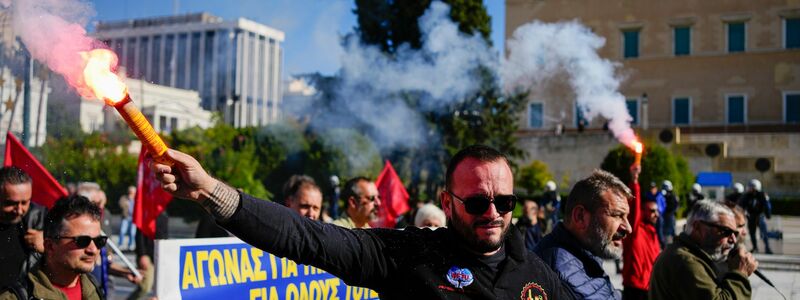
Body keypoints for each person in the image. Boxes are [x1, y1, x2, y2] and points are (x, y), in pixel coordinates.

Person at [152, 145, 575, 299]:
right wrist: (210, 190)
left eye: (504, 201)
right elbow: (306, 238)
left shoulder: (538, 274)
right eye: (478, 202)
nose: (494, 213)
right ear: (447, 202)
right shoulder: (411, 254)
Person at [533, 169, 633, 300]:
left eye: (626, 217)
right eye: (617, 215)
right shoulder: (554, 273)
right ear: (580, 217)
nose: (628, 228)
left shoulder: (586, 255)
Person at [0, 195, 106, 300]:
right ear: (50, 246)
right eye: (83, 241)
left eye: (99, 241)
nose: (93, 250)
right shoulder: (15, 297)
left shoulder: (95, 290)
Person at [649, 200, 757, 299]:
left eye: (735, 233)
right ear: (697, 227)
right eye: (726, 231)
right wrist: (740, 274)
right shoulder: (685, 260)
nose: (733, 240)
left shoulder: (689, 254)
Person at [0, 167, 45, 288]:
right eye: (10, 203)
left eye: (25, 202)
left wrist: (48, 246)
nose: (19, 210)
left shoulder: (40, 221)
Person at [621, 165, 660, 300]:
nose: (656, 214)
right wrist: (635, 181)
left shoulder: (653, 233)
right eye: (652, 211)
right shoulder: (635, 230)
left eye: (657, 211)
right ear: (643, 212)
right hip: (634, 288)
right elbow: (633, 208)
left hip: (650, 288)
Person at [128, 212, 168, 300]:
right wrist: (142, 254)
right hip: (147, 257)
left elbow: (164, 236)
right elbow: (139, 236)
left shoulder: (164, 215)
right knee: (145, 286)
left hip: (159, 255)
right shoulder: (145, 214)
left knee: (160, 290)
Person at [740, 179, 772, 254]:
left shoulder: (762, 195)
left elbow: (767, 206)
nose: (750, 189)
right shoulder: (747, 196)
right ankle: (755, 247)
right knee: (752, 233)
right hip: (751, 217)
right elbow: (741, 205)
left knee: (764, 233)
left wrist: (768, 214)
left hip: (760, 217)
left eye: (752, 187)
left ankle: (767, 248)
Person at [644, 182, 666, 248]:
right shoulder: (647, 195)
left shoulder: (660, 196)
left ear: (656, 188)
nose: (652, 189)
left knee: (659, 232)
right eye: (651, 188)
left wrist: (658, 212)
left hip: (658, 217)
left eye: (653, 188)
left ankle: (663, 247)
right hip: (649, 218)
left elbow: (664, 206)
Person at [118, 186, 137, 250]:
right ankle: (120, 244)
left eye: (133, 192)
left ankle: (130, 244)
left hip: (134, 218)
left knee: (132, 232)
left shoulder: (137, 199)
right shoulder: (124, 198)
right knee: (122, 231)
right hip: (126, 217)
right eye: (130, 192)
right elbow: (120, 204)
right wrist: (127, 203)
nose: (131, 194)